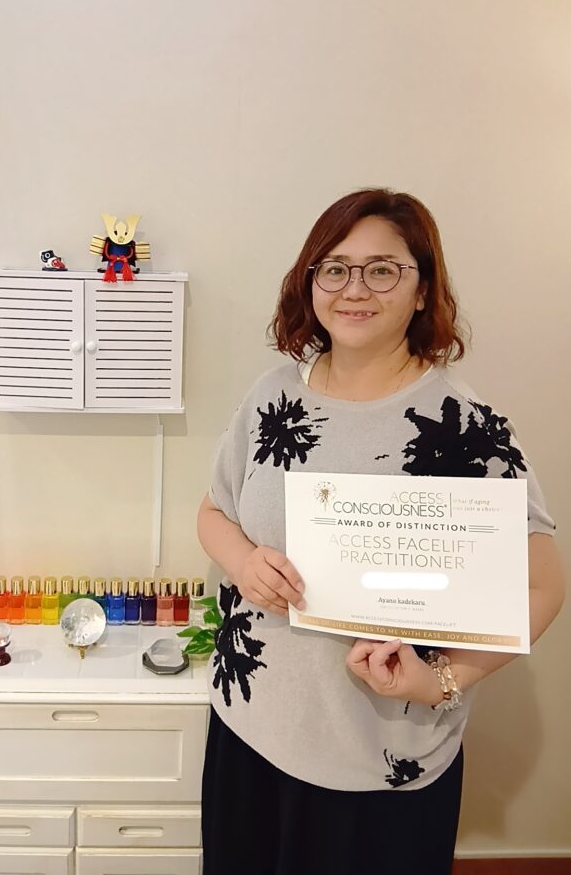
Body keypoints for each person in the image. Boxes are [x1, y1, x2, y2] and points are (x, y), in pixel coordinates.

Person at [197, 188, 564, 875]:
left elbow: (542, 586)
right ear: (311, 282)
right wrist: (243, 562)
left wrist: (439, 681)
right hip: (251, 724)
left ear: (422, 290)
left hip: (383, 754)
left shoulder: (465, 426)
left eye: (382, 269)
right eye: (334, 268)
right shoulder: (272, 396)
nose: (354, 288)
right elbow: (214, 512)